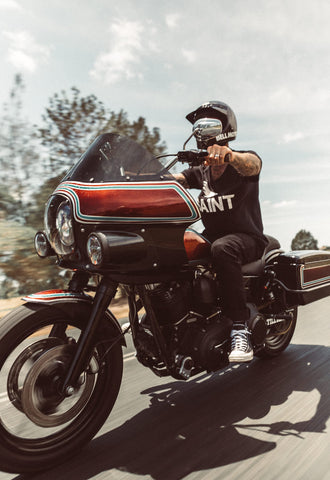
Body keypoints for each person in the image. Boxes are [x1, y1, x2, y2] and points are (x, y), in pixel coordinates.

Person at [174, 101, 267, 362]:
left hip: (248, 238)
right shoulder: (200, 172)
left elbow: (253, 164)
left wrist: (230, 156)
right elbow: (175, 180)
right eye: (197, 126)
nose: (200, 131)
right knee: (176, 246)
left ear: (224, 129)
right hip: (214, 238)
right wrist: (142, 179)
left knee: (222, 248)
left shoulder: (242, 163)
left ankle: (240, 328)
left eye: (207, 124)